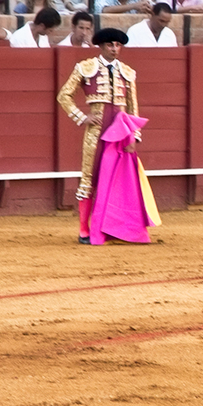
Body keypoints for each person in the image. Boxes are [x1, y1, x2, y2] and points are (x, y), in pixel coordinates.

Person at [55, 26, 143, 243]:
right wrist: (81, 117)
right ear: (102, 46)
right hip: (96, 133)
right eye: (111, 45)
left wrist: (134, 135)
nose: (115, 49)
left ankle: (113, 227)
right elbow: (63, 95)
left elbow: (132, 107)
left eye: (118, 45)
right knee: (90, 178)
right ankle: (85, 229)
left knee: (117, 180)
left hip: (120, 134)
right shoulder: (86, 68)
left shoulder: (127, 72)